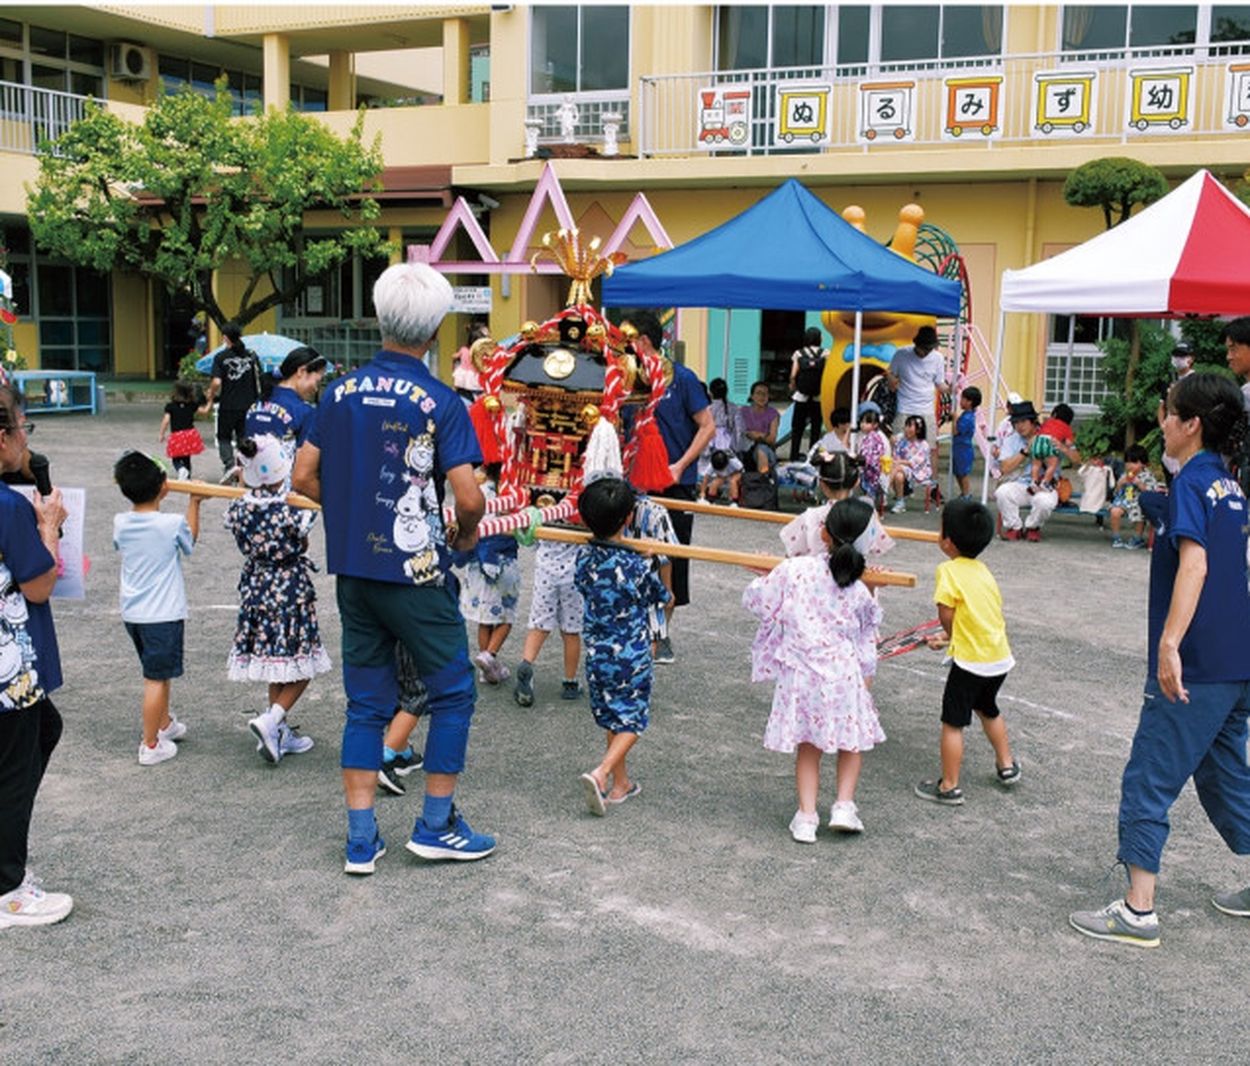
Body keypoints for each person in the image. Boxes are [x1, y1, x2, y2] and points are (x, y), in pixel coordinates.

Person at [291, 262, 494, 873]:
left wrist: (352, 516)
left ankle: (361, 840)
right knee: (453, 691)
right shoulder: (441, 400)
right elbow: (469, 497)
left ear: (381, 320)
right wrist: (462, 535)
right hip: (417, 573)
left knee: (366, 703)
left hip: (355, 571)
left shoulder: (338, 391)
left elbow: (302, 475)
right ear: (433, 332)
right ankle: (435, 825)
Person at [1069, 373, 1250, 948]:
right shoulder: (1228, 484)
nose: (1162, 423)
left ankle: (1138, 910)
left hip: (1197, 663)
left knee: (1149, 775)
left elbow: (1194, 565)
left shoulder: (1197, 483)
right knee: (1226, 779)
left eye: (1170, 415)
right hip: (1236, 659)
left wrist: (1169, 644)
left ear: (1192, 424)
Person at [744, 497, 885, 842]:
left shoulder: (796, 570)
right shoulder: (859, 586)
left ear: (823, 533)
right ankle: (843, 805)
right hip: (843, 674)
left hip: (804, 675)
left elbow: (756, 600)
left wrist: (767, 575)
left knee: (809, 745)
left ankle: (807, 817)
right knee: (851, 743)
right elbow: (868, 630)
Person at [0, 386, 72, 928]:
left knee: (44, 730)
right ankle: (8, 890)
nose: (27, 440)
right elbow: (40, 584)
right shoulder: (7, 507)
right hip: (10, 670)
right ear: (3, 440)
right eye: (24, 428)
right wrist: (47, 526)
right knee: (17, 766)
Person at [224, 436, 329, 763]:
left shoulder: (239, 505)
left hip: (256, 588)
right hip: (288, 588)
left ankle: (277, 730)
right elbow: (304, 542)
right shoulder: (291, 507)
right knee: (302, 663)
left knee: (277, 663)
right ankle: (271, 719)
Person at [574, 476, 671, 815]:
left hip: (597, 653)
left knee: (613, 718)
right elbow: (663, 596)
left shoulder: (584, 559)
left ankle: (621, 785)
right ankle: (602, 774)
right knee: (632, 720)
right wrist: (651, 559)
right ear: (629, 518)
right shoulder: (634, 565)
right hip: (630, 653)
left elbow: (584, 583)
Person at [913, 498, 1019, 806]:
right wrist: (951, 639)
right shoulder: (983, 571)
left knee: (953, 721)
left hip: (971, 663)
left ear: (947, 540)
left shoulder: (948, 570)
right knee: (988, 708)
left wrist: (948, 634)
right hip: (998, 657)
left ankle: (949, 785)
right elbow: (982, 616)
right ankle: (1007, 765)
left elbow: (947, 612)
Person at [624, 310, 714, 665]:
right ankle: (637, 629)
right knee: (634, 558)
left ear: (643, 341)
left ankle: (662, 633)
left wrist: (680, 465)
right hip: (635, 484)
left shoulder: (684, 379)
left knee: (670, 561)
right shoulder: (629, 378)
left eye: (629, 341)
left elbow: (707, 426)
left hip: (675, 485)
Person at [112, 450, 202, 766]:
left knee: (158, 672)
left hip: (134, 614)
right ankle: (150, 745)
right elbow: (189, 541)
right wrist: (194, 502)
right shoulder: (171, 523)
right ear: (163, 485)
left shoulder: (121, 522)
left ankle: (164, 724)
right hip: (162, 614)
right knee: (155, 678)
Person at [457, 468, 520, 687]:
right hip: (502, 561)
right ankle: (489, 655)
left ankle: (487, 669)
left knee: (485, 618)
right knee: (506, 616)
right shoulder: (511, 495)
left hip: (475, 561)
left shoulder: (477, 492)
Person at [513, 540, 584, 708]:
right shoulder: (579, 515)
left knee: (539, 625)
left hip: (546, 569)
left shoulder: (545, 512)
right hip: (573, 572)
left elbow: (530, 538)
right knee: (571, 631)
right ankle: (570, 682)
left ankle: (526, 663)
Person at [245, 346, 327, 481]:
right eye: (317, 381)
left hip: (253, 486)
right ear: (301, 371)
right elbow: (302, 470)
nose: (316, 388)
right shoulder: (305, 412)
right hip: (284, 493)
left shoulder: (259, 403)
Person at [994, 400, 1070, 542]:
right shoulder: (1012, 439)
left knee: (1045, 503)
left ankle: (1032, 527)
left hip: (1046, 485)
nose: (1019, 426)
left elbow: (1077, 458)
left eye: (1023, 421)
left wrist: (1063, 447)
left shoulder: (1049, 435)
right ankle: (1014, 527)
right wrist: (1025, 451)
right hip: (1021, 484)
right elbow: (1004, 468)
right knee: (1002, 492)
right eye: (1016, 423)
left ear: (1033, 421)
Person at [200, 322, 262, 482]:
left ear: (226, 338)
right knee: (244, 437)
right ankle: (245, 469)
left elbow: (216, 382)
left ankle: (230, 466)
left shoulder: (221, 357)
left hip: (229, 405)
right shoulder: (252, 356)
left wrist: (211, 394)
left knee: (224, 437)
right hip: (250, 405)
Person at [886, 324, 949, 474]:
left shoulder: (938, 358)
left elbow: (940, 384)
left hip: (926, 409)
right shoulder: (901, 354)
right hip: (905, 408)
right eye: (924, 349)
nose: (926, 353)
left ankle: (932, 485)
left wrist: (951, 389)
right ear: (917, 344)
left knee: (931, 448)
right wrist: (891, 380)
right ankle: (898, 484)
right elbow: (890, 373)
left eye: (930, 349)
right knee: (897, 445)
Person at [1108, 444, 1160, 550]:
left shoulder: (1147, 475)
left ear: (1143, 464)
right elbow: (1116, 493)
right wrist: (1120, 484)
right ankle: (1116, 537)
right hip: (1125, 500)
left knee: (1139, 513)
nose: (1130, 465)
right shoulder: (1125, 474)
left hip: (1138, 501)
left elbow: (1152, 492)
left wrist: (1139, 484)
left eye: (1135, 462)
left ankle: (1137, 538)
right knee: (1114, 511)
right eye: (1128, 462)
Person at [1158, 341, 1195, 484]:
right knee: (1168, 469)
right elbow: (1161, 407)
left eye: (1182, 356)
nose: (1178, 359)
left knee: (1184, 470)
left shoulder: (1195, 381)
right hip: (1169, 432)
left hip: (1186, 433)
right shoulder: (1169, 381)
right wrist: (1163, 426)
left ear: (1191, 359)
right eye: (1176, 355)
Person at [788, 327, 826, 460]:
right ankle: (812, 457)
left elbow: (793, 374)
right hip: (818, 397)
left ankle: (793, 456)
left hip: (801, 396)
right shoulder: (826, 353)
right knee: (815, 430)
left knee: (797, 429)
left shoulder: (799, 353)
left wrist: (793, 386)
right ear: (818, 338)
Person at [159, 380, 205, 481]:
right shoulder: (192, 405)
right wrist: (210, 400)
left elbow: (166, 421)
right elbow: (204, 411)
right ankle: (187, 477)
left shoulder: (170, 406)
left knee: (175, 458)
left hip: (177, 435)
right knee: (186, 457)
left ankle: (180, 469)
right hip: (190, 434)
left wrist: (161, 434)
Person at [888, 414, 932, 514]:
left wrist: (899, 462)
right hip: (901, 469)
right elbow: (895, 455)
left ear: (918, 430)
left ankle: (885, 487)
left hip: (918, 470)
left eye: (910, 426)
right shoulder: (901, 438)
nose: (906, 428)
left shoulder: (924, 444)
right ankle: (900, 502)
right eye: (906, 425)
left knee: (897, 468)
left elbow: (916, 462)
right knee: (898, 475)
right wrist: (892, 444)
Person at [1029, 403, 1076, 491]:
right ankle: (1045, 482)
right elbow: (1069, 443)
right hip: (1050, 441)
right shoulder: (1066, 428)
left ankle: (1034, 482)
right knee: (1052, 465)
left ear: (1054, 415)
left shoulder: (1047, 422)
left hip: (1038, 440)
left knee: (1035, 465)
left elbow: (1039, 431)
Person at [740, 380, 780, 476]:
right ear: (752, 396)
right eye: (758, 393)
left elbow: (772, 439)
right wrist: (759, 435)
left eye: (765, 394)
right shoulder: (743, 411)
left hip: (765, 451)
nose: (761, 397)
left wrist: (758, 436)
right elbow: (738, 432)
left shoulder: (773, 414)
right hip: (744, 448)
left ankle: (763, 481)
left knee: (761, 449)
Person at [856, 406, 891, 512]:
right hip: (864, 467)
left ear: (875, 424)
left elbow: (874, 459)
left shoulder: (878, 438)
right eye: (861, 421)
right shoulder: (859, 435)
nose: (863, 424)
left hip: (877, 471)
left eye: (867, 422)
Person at [951, 386, 981, 498]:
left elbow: (955, 431)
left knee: (963, 473)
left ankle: (967, 494)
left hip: (963, 450)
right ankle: (963, 493)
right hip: (959, 448)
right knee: (958, 472)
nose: (960, 400)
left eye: (963, 398)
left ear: (969, 402)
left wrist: (955, 419)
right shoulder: (966, 415)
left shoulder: (967, 417)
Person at [452, 323, 489, 403]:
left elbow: (454, 357)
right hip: (476, 383)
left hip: (463, 384)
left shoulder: (464, 349)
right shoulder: (481, 353)